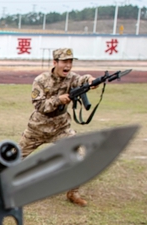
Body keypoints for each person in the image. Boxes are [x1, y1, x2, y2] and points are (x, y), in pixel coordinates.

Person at [18, 48, 97, 206]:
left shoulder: (72, 78)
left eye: (70, 62)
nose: (68, 66)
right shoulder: (41, 80)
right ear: (55, 63)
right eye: (64, 62)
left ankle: (73, 192)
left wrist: (91, 80)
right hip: (38, 128)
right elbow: (39, 105)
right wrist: (58, 100)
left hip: (61, 128)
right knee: (15, 158)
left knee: (79, 156)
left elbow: (82, 80)